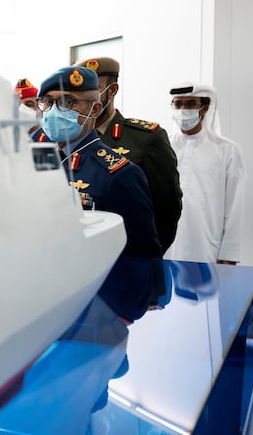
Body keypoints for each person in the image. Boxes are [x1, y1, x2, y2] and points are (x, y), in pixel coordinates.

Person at [38, 65, 163, 317]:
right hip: (48, 303)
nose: (53, 112)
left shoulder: (118, 173)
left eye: (67, 102)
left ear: (94, 109)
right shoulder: (37, 164)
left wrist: (124, 314)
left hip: (98, 310)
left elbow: (140, 253)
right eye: (48, 103)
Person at [74, 56, 182, 255]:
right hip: (82, 259)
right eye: (80, 93)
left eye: (93, 89)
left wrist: (148, 258)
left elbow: (167, 207)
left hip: (128, 258)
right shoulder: (70, 139)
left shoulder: (146, 139)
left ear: (112, 90)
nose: (86, 98)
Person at [167, 83, 245, 264]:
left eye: (190, 103)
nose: (183, 110)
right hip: (167, 246)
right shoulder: (164, 146)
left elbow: (234, 206)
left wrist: (228, 255)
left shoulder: (227, 150)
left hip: (206, 246)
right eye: (178, 104)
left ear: (205, 108)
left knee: (207, 292)